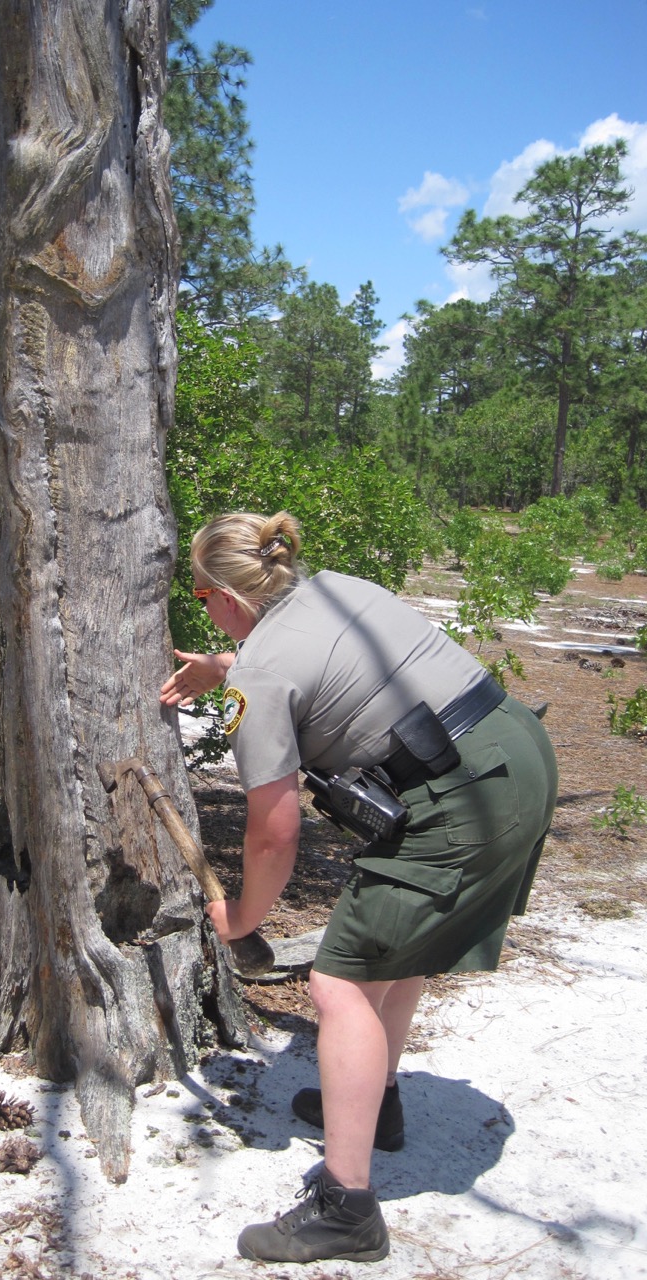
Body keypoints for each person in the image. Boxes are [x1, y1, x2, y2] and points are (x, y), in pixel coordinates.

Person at [160, 511, 558, 1265]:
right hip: (515, 753)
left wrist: (241, 917)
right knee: (391, 958)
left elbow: (273, 832)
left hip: (463, 800)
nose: (201, 608)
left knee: (338, 984)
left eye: (202, 596)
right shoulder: (337, 588)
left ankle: (346, 1209)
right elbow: (319, 660)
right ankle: (374, 1109)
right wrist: (224, 666)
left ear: (230, 598)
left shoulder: (262, 675)